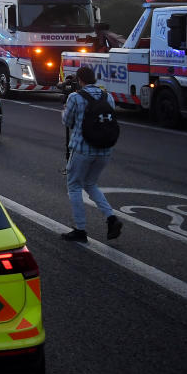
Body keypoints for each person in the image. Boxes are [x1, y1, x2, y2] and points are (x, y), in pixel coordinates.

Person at [61, 65, 122, 243]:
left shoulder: (75, 97)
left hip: (82, 149)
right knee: (91, 183)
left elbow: (67, 121)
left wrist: (65, 106)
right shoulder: (107, 96)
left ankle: (80, 229)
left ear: (80, 80)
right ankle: (111, 218)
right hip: (104, 149)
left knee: (74, 186)